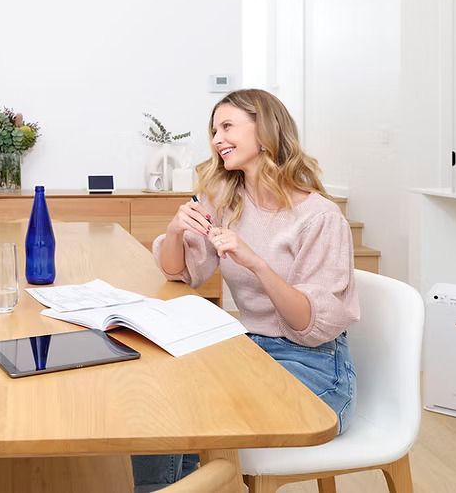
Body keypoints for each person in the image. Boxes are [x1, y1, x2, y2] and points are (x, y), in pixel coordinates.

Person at [131, 89, 360, 491]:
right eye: (214, 130)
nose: (217, 139)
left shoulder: (318, 216)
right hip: (251, 349)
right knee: (158, 392)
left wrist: (255, 261)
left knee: (196, 409)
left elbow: (309, 324)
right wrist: (174, 229)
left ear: (265, 130)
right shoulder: (226, 200)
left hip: (315, 367)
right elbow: (181, 272)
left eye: (228, 126)